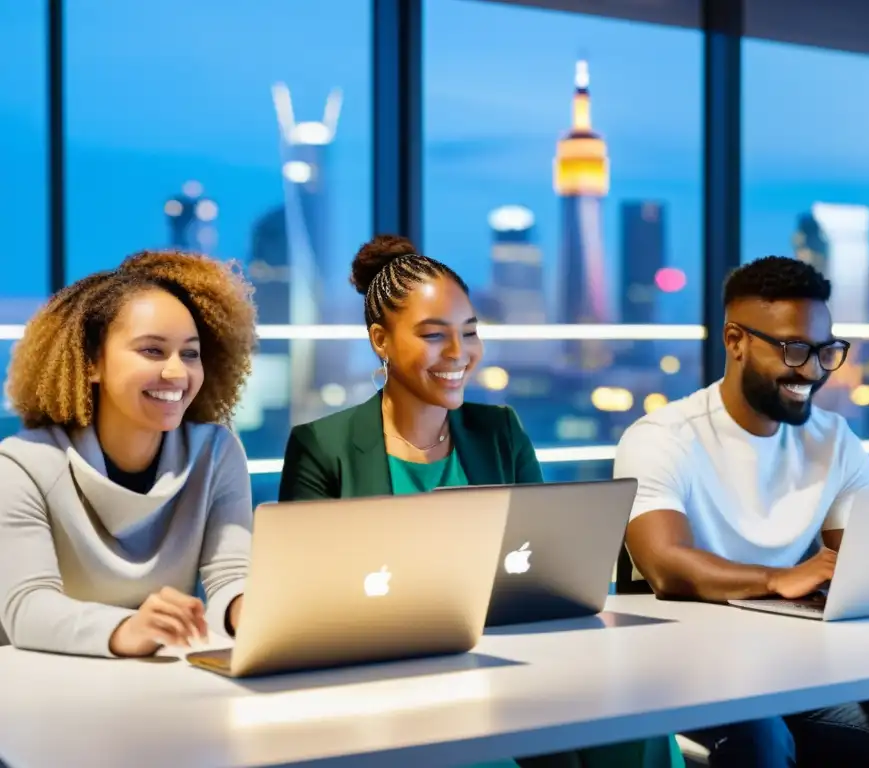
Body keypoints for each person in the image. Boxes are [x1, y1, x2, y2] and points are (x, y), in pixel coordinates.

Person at [279, 234, 683, 768]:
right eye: (432, 335)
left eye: (469, 332)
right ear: (380, 339)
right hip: (390, 682)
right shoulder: (322, 447)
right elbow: (302, 607)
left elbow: (550, 571)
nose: (457, 354)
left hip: (509, 663)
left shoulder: (500, 431)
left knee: (641, 723)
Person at [613, 255, 869, 768]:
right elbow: (666, 565)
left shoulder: (837, 442)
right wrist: (778, 577)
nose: (812, 369)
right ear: (735, 341)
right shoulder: (662, 438)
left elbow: (861, 567)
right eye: (793, 349)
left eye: (826, 351)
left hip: (801, 666)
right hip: (689, 665)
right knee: (763, 743)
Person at [0, 250, 257, 659]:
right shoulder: (21, 465)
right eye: (153, 351)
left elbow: (231, 575)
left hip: (156, 685)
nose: (177, 372)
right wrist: (127, 628)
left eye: (190, 353)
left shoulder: (216, 452)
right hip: (45, 693)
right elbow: (26, 608)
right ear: (90, 363)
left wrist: (260, 613)